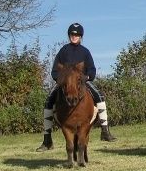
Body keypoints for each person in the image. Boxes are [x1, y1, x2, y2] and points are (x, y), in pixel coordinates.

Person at [36, 22, 116, 151]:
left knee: (99, 95)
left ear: (81, 36)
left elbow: (92, 69)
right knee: (48, 101)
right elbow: (55, 71)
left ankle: (105, 130)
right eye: (72, 34)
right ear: (69, 35)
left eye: (77, 35)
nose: (74, 36)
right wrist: (61, 80)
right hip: (65, 84)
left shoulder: (85, 52)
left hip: (82, 82)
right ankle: (47, 139)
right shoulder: (63, 51)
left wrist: (87, 77)